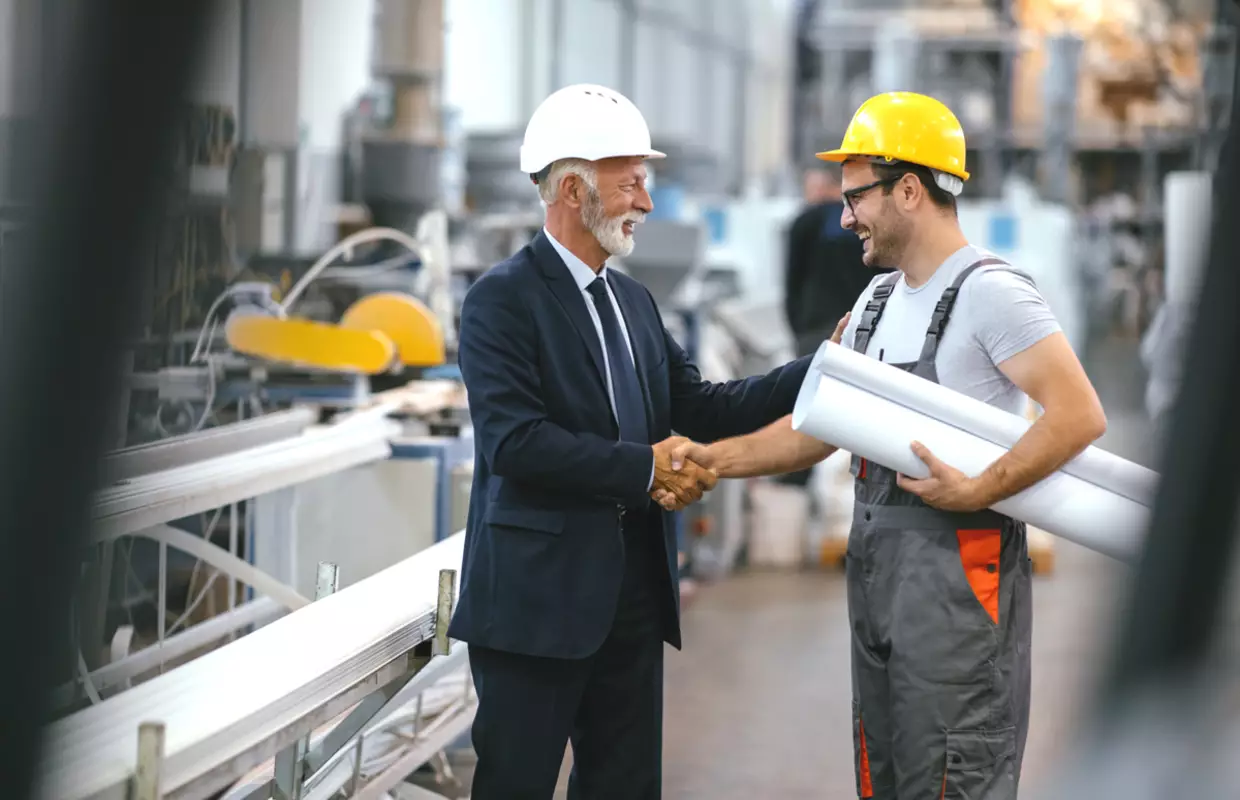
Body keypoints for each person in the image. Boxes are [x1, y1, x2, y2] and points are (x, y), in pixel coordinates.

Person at [657, 92, 1108, 799]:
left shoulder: (992, 294)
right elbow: (821, 430)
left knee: (955, 769)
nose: (843, 218)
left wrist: (979, 489)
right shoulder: (874, 304)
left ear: (908, 189)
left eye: (855, 197)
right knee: (885, 768)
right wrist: (716, 459)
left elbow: (1079, 414)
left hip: (959, 581)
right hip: (877, 575)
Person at [449, 83, 813, 800]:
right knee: (515, 785)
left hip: (633, 598)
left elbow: (703, 407)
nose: (646, 202)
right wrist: (644, 470)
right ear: (573, 187)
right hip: (537, 603)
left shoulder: (634, 303)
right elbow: (516, 442)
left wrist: (822, 368)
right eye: (633, 183)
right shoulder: (502, 300)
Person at [780, 164, 891, 492]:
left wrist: (798, 327)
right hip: (867, 325)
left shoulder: (804, 221)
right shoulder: (868, 224)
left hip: (816, 328)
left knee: (812, 405)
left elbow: (792, 280)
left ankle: (799, 476)